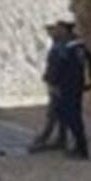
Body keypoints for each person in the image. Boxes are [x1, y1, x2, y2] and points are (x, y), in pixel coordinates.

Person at [29, 21, 69, 153]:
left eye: (52, 30)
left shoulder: (60, 47)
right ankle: (60, 139)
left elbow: (57, 67)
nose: (50, 33)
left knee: (53, 112)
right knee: (61, 113)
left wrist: (52, 82)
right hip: (61, 84)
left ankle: (45, 139)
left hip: (58, 85)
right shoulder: (60, 45)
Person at [56, 20, 91, 160]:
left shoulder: (68, 47)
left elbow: (60, 67)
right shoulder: (81, 46)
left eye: (60, 28)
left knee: (70, 115)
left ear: (66, 30)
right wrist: (90, 78)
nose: (58, 31)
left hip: (68, 85)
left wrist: (54, 82)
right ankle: (79, 146)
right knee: (73, 115)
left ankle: (81, 148)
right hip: (77, 85)